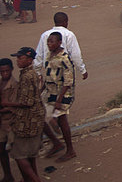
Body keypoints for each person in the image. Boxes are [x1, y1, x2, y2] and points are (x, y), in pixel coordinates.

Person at [3, 48, 45, 182]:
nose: (18, 61)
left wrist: (8, 104)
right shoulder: (30, 74)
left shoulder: (26, 76)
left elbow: (27, 101)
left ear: (29, 60)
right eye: (17, 58)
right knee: (30, 153)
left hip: (27, 120)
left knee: (19, 155)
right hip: (34, 118)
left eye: (20, 58)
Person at [40, 32, 76, 163]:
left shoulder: (64, 58)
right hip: (50, 93)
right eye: (48, 42)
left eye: (52, 42)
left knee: (62, 120)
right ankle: (56, 143)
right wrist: (40, 90)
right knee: (40, 116)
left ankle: (70, 150)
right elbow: (48, 75)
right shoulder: (50, 55)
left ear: (59, 42)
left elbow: (68, 82)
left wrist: (59, 100)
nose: (49, 44)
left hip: (62, 94)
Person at [34, 12, 88, 80]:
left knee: (51, 88)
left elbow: (39, 55)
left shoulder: (45, 35)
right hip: (65, 70)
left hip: (49, 71)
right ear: (65, 22)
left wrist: (37, 71)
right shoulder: (69, 34)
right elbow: (75, 54)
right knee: (66, 88)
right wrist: (82, 70)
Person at [0, 58, 17, 182]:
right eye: (2, 71)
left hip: (10, 121)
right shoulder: (1, 84)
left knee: (16, 151)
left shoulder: (14, 85)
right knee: (1, 150)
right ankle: (8, 175)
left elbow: (13, 106)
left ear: (11, 70)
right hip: (2, 122)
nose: (5, 74)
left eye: (7, 71)